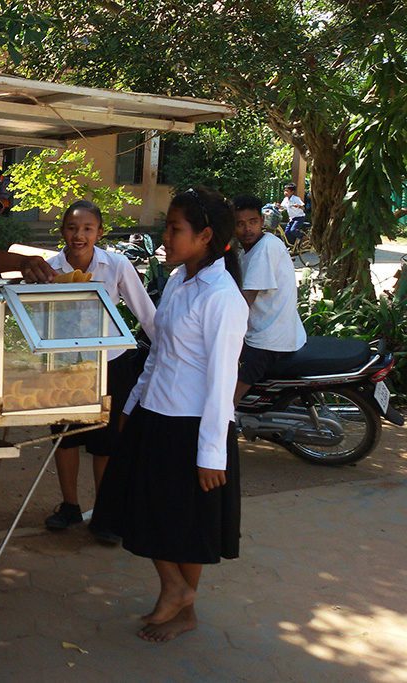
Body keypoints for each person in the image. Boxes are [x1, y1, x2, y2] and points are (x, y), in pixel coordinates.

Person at [118, 187, 248, 643]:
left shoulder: (223, 298)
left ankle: (182, 605)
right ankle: (175, 590)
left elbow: (220, 382)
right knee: (150, 510)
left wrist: (212, 452)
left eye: (175, 229)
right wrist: (133, 403)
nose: (166, 237)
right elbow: (159, 350)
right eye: (167, 227)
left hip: (194, 426)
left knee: (187, 523)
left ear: (205, 236)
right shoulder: (178, 281)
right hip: (156, 413)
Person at [43, 201, 156, 543]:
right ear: (62, 230)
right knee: (65, 437)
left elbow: (146, 313)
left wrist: (169, 351)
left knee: (105, 444)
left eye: (87, 229)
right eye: (72, 228)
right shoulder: (50, 267)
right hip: (64, 365)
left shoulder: (117, 265)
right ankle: (70, 506)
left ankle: (105, 514)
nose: (79, 235)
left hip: (111, 362)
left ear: (99, 232)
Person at [232, 194, 306, 402]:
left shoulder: (266, 247)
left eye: (253, 222)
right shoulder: (245, 251)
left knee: (227, 399)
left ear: (262, 222)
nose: (247, 229)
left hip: (268, 339)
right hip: (267, 331)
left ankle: (224, 423)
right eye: (240, 224)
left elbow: (245, 300)